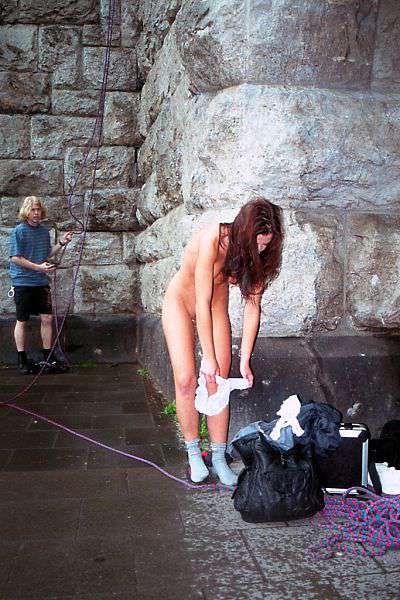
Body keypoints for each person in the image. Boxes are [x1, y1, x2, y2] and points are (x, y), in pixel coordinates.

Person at [162, 198, 284, 485]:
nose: (261, 250)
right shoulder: (212, 239)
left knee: (218, 381)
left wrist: (245, 360)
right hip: (181, 302)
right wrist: (208, 357)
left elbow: (252, 307)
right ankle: (193, 452)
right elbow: (201, 302)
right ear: (244, 234)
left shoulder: (260, 254)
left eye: (266, 244)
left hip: (216, 309)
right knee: (186, 379)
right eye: (258, 244)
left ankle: (218, 456)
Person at [9, 196, 73, 374]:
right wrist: (38, 267)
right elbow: (15, 258)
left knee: (47, 318)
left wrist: (61, 243)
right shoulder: (19, 231)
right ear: (26, 212)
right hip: (23, 282)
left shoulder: (44, 232)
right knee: (22, 320)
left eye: (38, 210)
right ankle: (22, 359)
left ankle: (47, 356)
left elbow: (47, 254)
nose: (36, 213)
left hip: (41, 282)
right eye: (33, 210)